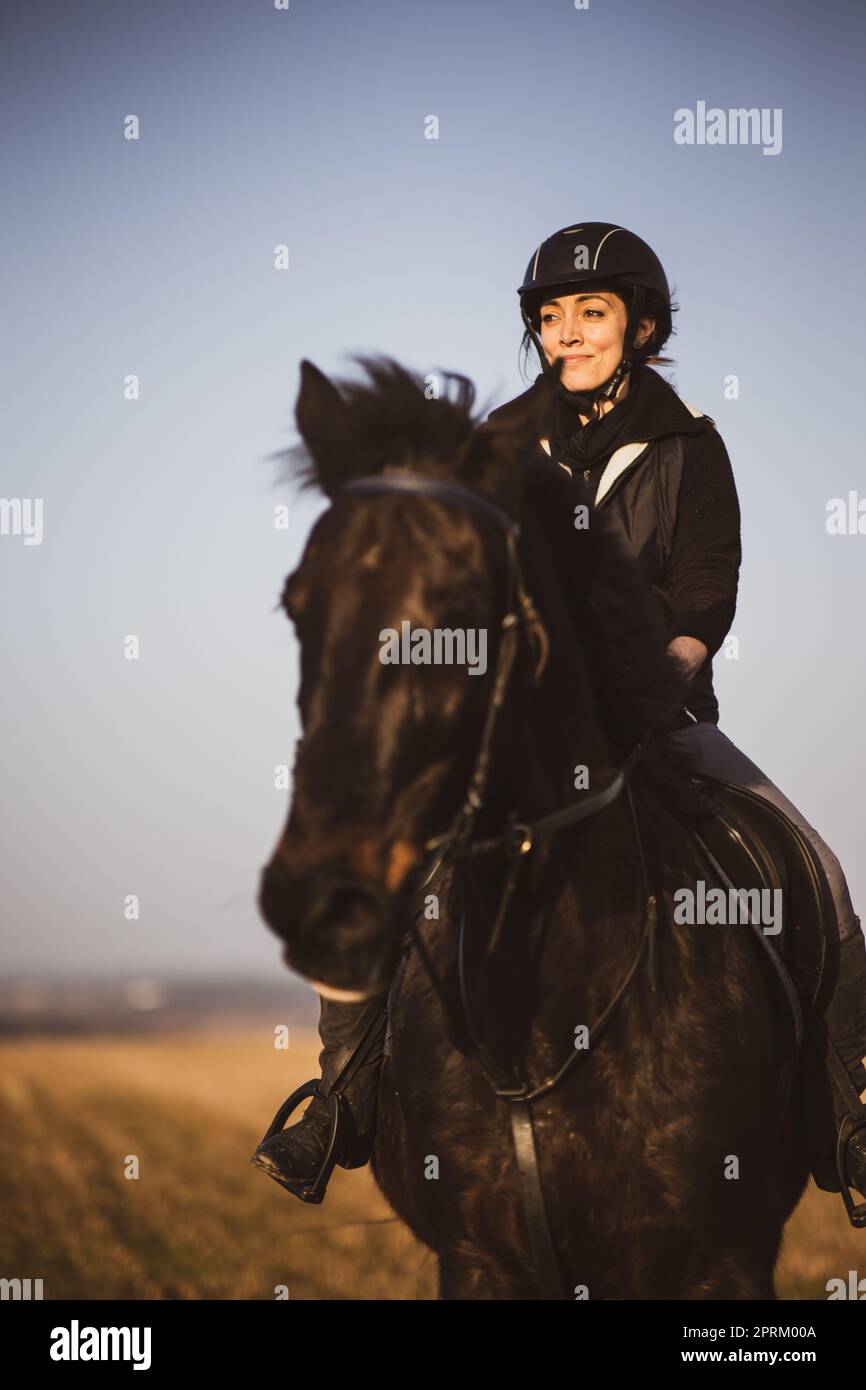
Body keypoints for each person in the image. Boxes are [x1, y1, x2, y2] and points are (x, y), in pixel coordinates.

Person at [251, 221, 866, 1206]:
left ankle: (850, 1116)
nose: (567, 333)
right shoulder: (492, 445)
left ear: (642, 324)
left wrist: (666, 664)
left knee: (821, 876)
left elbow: (707, 584)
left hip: (661, 716)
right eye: (549, 316)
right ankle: (340, 1100)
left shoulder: (690, 444)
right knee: (380, 866)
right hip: (516, 732)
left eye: (590, 312)